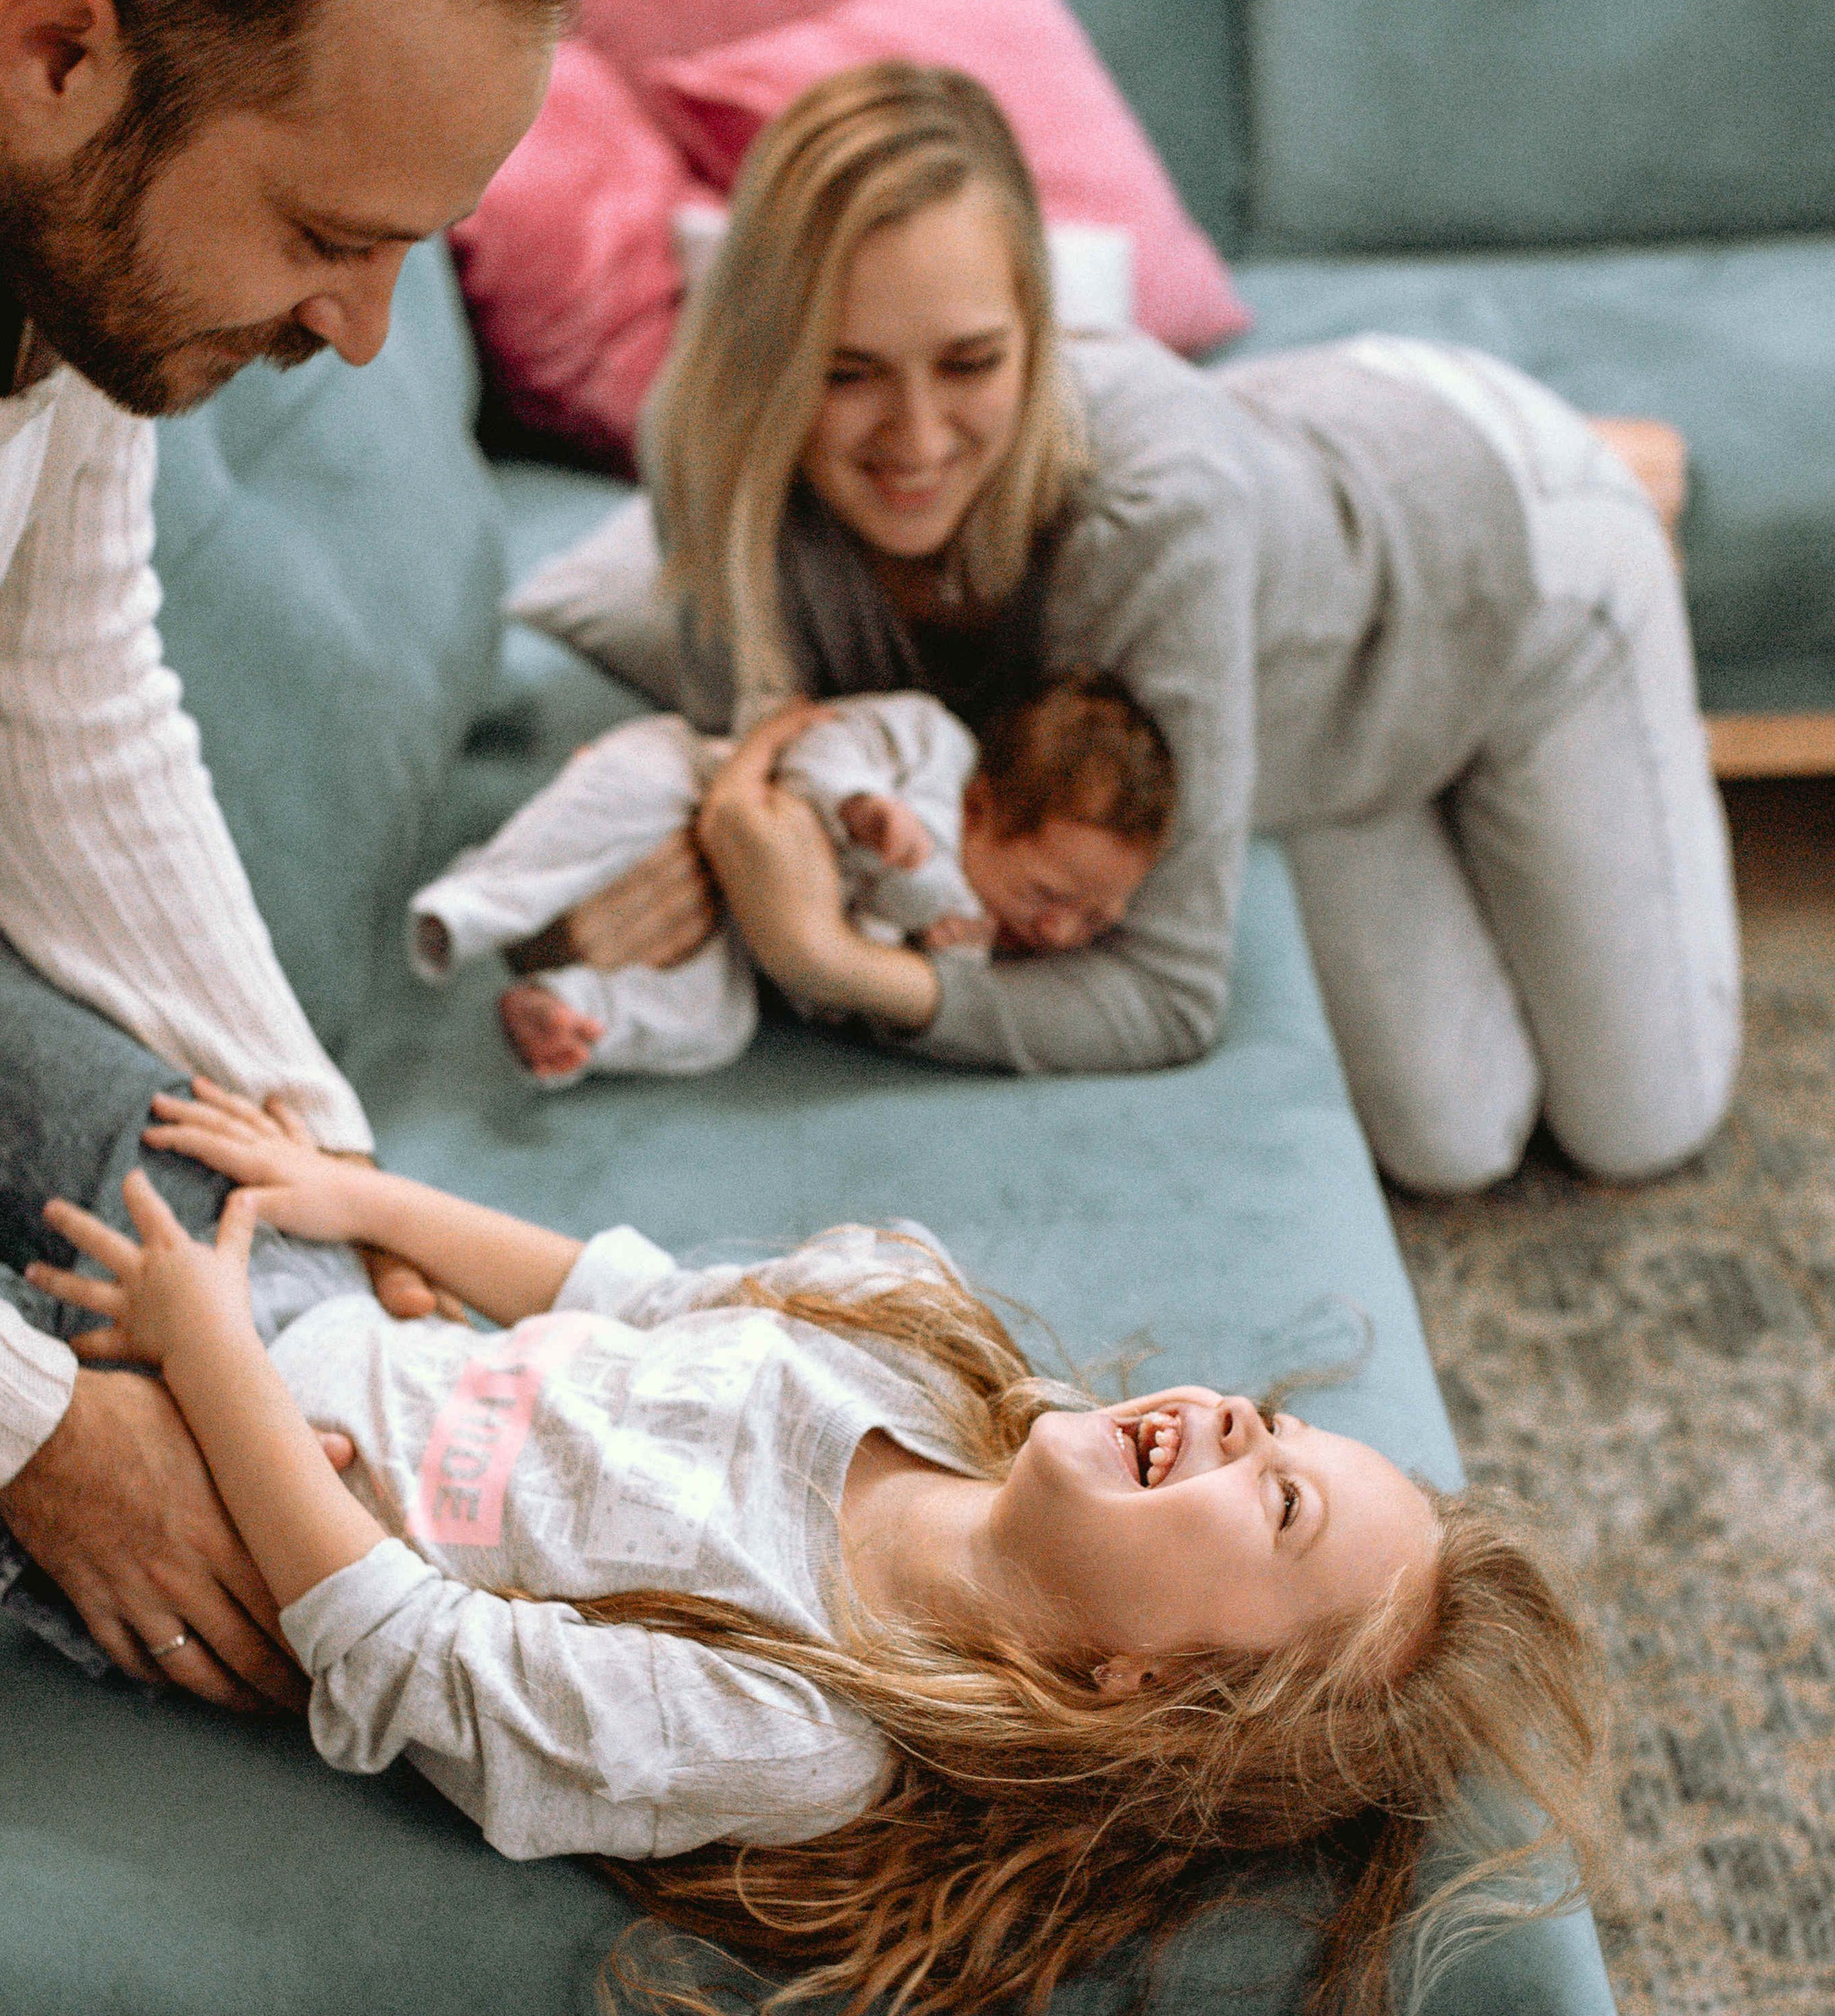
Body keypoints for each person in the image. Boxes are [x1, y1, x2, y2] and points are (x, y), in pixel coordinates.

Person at [0, 891, 1603, 2016]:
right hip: (300, 1299)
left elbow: (412, 1657)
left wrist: (201, 1366)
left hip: (189, 1501)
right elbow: (621, 1295)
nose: (1232, 1415)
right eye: (1276, 1419)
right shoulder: (913, 1331)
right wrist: (349, 1194)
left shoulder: (804, 1726)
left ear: (1136, 1686)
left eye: (1274, 1497)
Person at [0, 0, 570, 1702]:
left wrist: (314, 1168)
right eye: (329, 238)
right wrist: (29, 1434)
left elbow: (62, 697)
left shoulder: (49, 177)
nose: (360, 335)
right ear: (59, 53)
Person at [616, 61, 1740, 1194]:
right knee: (1454, 1143)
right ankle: (1333, 665)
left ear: (1039, 333)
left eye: (971, 363)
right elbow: (766, 806)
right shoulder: (707, 455)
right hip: (1317, 702)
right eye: (845, 372)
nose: (914, 440)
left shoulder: (1150, 515)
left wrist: (833, 963)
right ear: (764, 358)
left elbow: (1163, 994)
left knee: (1638, 1127)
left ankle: (1592, 466)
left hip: (1515, 574)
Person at [409, 674, 1173, 1085]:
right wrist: (863, 806)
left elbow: (835, 985)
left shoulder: (973, 935)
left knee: (716, 1026)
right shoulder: (929, 742)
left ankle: (570, 1016)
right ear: (981, 809)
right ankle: (473, 906)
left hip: (740, 933)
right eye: (1049, 896)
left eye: (1096, 923)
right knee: (603, 812)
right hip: (702, 782)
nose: (1060, 933)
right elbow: (816, 742)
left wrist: (944, 952)